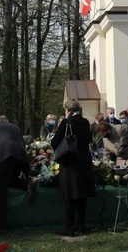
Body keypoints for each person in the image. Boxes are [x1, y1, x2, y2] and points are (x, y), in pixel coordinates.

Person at [50, 98, 95, 237]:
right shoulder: (85, 121)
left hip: (71, 161)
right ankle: (81, 224)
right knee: (82, 195)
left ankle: (69, 227)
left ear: (67, 109)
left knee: (70, 195)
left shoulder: (66, 122)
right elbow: (88, 139)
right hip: (84, 160)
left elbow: (55, 141)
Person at [0, 115, 33, 234]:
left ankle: (1, 226)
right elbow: (22, 144)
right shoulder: (15, 127)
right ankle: (26, 183)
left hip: (4, 156)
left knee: (0, 191)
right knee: (9, 180)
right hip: (20, 156)